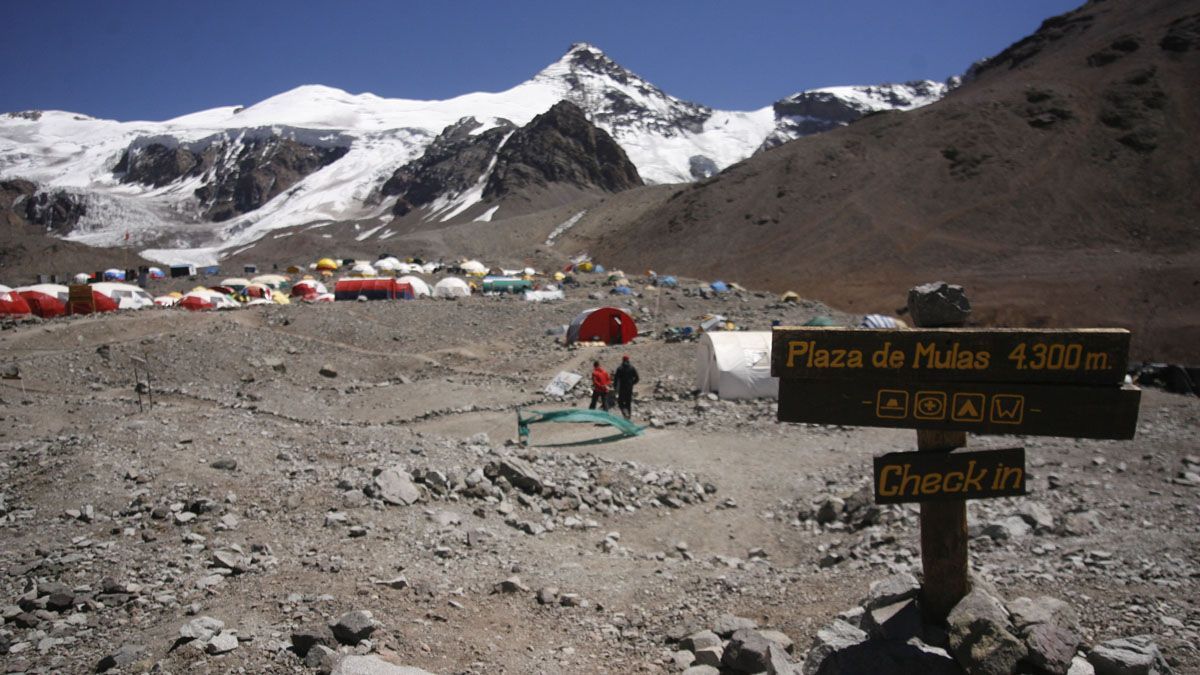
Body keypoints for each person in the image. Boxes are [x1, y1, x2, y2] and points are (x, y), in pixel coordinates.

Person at [612, 355, 640, 420]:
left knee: (620, 402)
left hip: (622, 388)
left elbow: (616, 379)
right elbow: (637, 378)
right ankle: (628, 417)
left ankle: (624, 412)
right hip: (629, 388)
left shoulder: (620, 368)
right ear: (628, 360)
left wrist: (615, 387)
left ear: (623, 360)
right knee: (628, 402)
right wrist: (632, 383)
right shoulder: (632, 368)